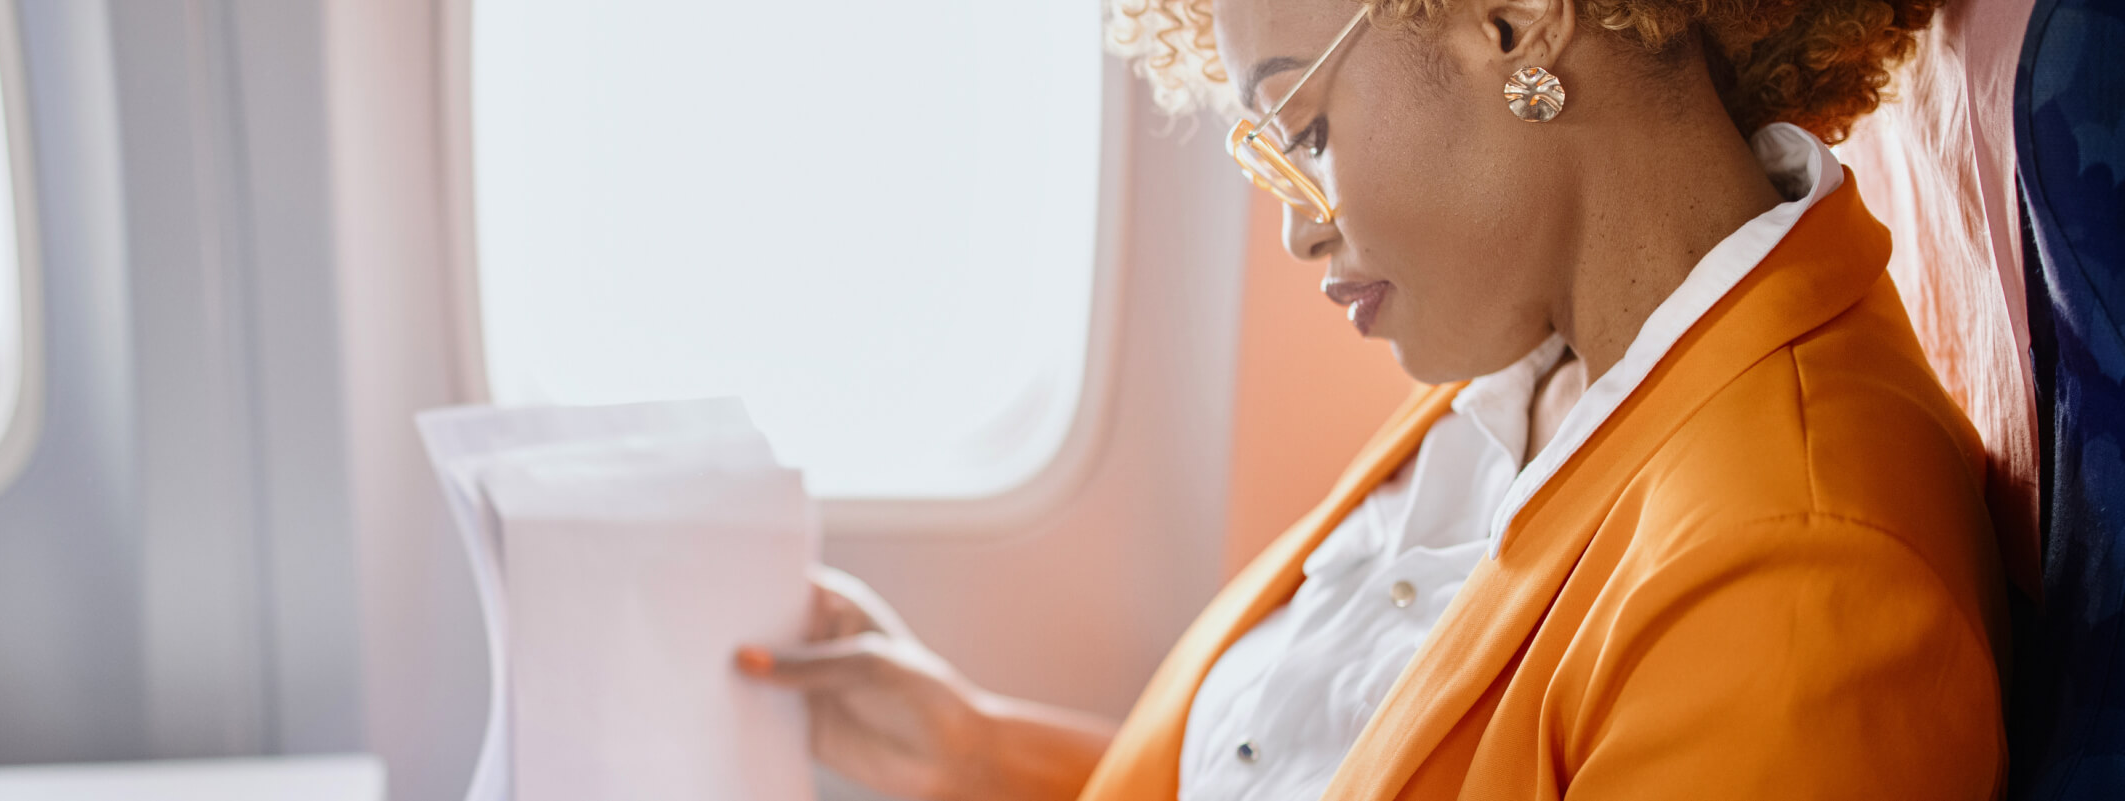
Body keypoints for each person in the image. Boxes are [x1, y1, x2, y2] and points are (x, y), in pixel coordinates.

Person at [734, 0, 2008, 796]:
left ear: (1515, 20)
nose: (1297, 234)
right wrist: (976, 756)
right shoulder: (1537, 369)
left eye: (1309, 130)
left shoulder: (1800, 582)